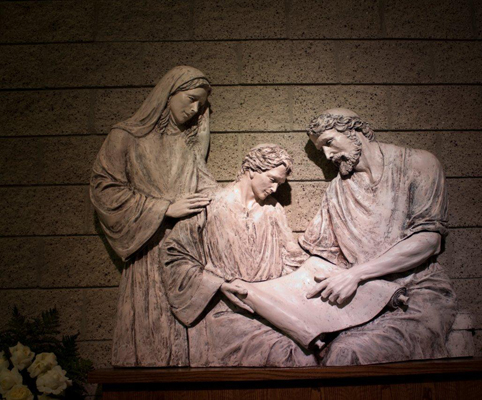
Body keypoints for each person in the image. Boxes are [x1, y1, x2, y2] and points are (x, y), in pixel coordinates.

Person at [300, 108, 457, 366]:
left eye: (329, 142)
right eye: (321, 150)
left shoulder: (419, 164)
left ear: (355, 131)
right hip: (365, 298)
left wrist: (356, 274)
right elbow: (320, 255)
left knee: (347, 354)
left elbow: (429, 240)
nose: (327, 155)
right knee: (307, 350)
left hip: (417, 292)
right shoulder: (336, 191)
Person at [90, 66, 218, 367]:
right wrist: (164, 209)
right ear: (168, 94)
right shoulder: (126, 136)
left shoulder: (187, 145)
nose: (194, 109)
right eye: (191, 99)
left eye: (200, 104)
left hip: (186, 250)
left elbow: (207, 189)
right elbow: (104, 189)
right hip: (148, 247)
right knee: (150, 339)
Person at [160, 144, 317, 367]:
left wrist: (316, 272)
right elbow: (174, 256)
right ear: (251, 170)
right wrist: (217, 285)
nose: (274, 188)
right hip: (224, 312)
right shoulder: (209, 205)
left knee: (312, 351)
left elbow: (290, 257)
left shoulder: (273, 210)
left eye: (279, 184)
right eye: (272, 179)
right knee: (293, 356)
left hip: (269, 310)